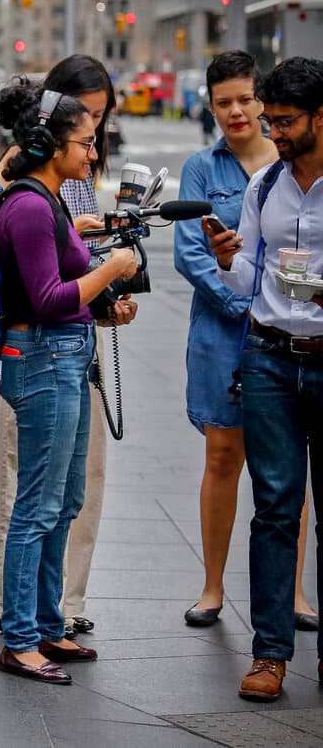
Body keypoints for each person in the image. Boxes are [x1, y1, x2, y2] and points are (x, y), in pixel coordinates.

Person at [0, 80, 138, 685]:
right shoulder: (27, 205)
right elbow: (48, 299)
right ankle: (20, 638)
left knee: (65, 500)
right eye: (85, 142)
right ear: (51, 144)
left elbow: (62, 292)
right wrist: (111, 269)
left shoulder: (50, 202)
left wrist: (104, 302)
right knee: (37, 505)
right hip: (42, 358)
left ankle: (48, 624)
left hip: (66, 354)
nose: (93, 154)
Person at [174, 50, 318, 631]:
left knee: (291, 473)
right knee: (229, 457)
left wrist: (272, 300)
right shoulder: (216, 172)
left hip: (288, 334)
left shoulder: (282, 171)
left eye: (247, 101)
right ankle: (215, 589)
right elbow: (196, 255)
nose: (237, 112)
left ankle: (297, 596)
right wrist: (251, 298)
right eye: (222, 103)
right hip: (232, 334)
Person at [208, 56, 323, 702]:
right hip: (271, 357)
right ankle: (271, 653)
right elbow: (252, 275)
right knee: (275, 507)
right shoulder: (265, 185)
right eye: (270, 121)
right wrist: (231, 258)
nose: (273, 132)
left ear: (321, 116)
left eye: (285, 122)